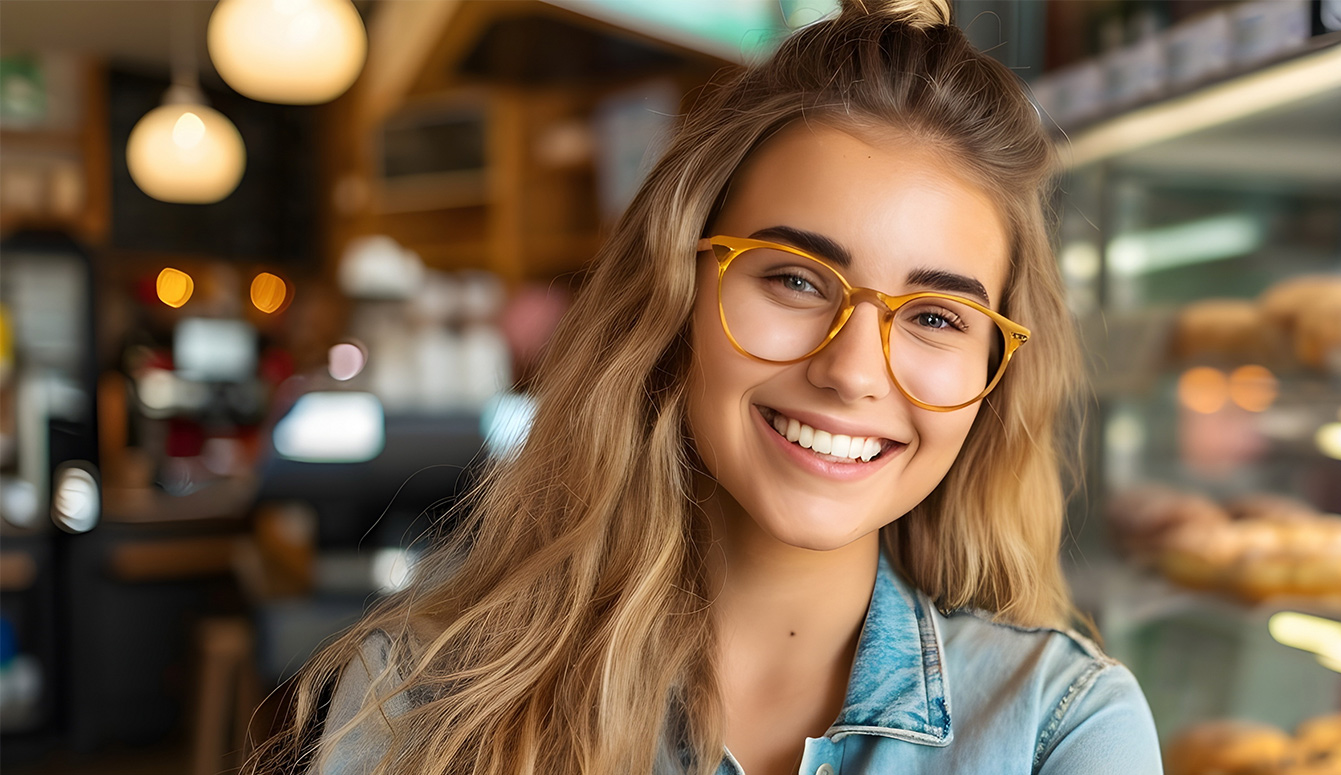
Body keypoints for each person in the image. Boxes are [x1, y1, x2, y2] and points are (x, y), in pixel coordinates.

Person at [244, 1, 1158, 774]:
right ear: (677, 293)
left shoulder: (1061, 729)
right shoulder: (417, 700)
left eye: (936, 317)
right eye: (796, 280)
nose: (851, 370)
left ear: (994, 376)